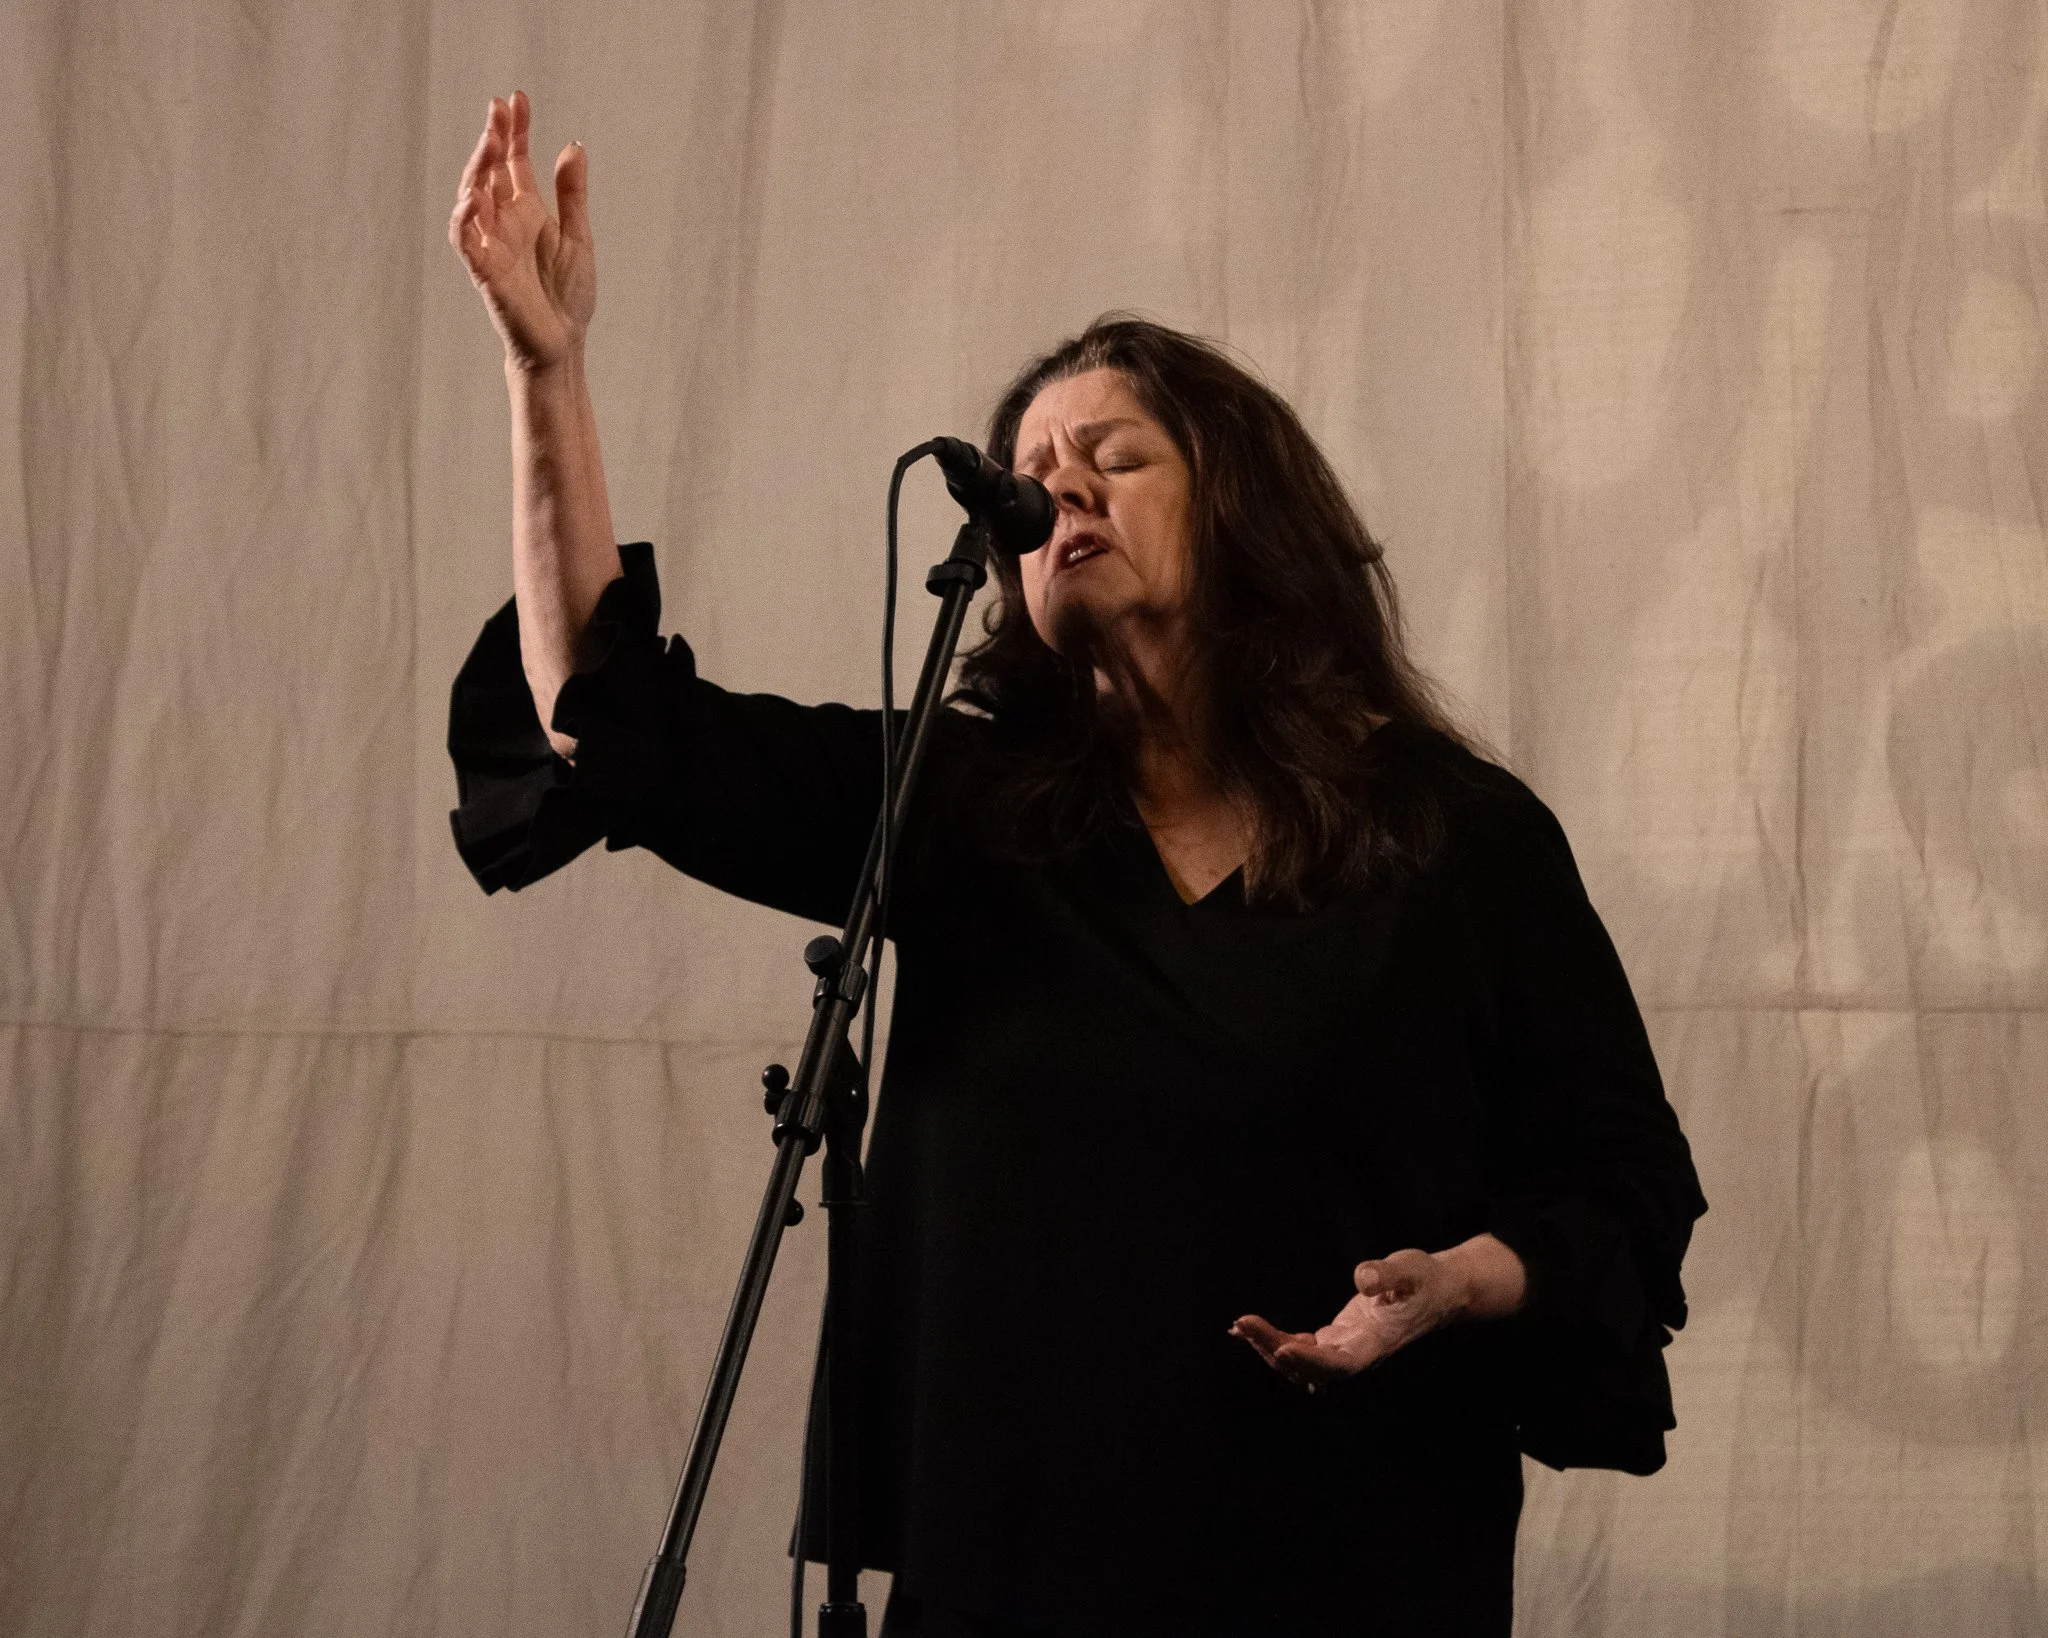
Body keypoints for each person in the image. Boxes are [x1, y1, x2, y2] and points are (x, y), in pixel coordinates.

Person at [446, 92, 1708, 1638]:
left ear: (1244, 507)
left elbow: (1624, 1185)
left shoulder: (1456, 834)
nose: (1060, 488)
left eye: (1114, 454)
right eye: (1033, 471)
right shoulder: (958, 806)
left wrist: (1466, 1278)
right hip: (1009, 1580)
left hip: (1350, 1567)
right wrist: (547, 372)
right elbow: (611, 725)